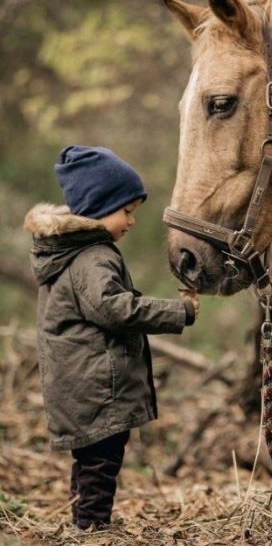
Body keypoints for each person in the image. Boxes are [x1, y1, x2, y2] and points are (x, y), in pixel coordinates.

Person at [23, 145, 199, 531]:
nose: (132, 222)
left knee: (91, 460)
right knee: (101, 461)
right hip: (95, 387)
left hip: (80, 384)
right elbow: (116, 309)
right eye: (127, 211)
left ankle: (85, 522)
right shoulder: (93, 258)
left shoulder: (71, 255)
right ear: (98, 208)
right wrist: (178, 312)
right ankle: (91, 527)